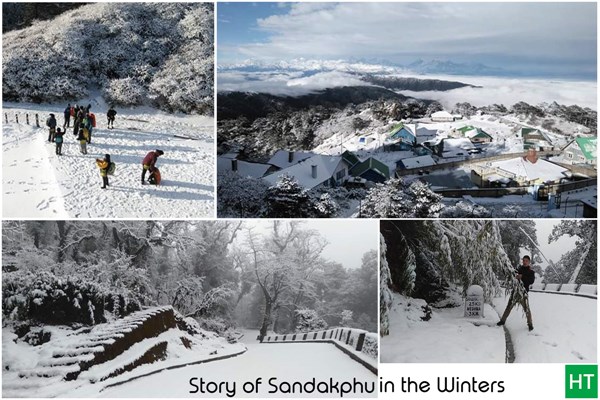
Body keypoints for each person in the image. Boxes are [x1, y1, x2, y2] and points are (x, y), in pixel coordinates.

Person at [497, 255, 535, 331]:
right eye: (523, 260)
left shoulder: (531, 272)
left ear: (529, 262)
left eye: (526, 261)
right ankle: (502, 321)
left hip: (524, 294)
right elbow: (511, 274)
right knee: (508, 307)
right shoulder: (518, 269)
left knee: (527, 309)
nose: (524, 262)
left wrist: (522, 277)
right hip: (515, 292)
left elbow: (531, 281)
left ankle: (530, 324)